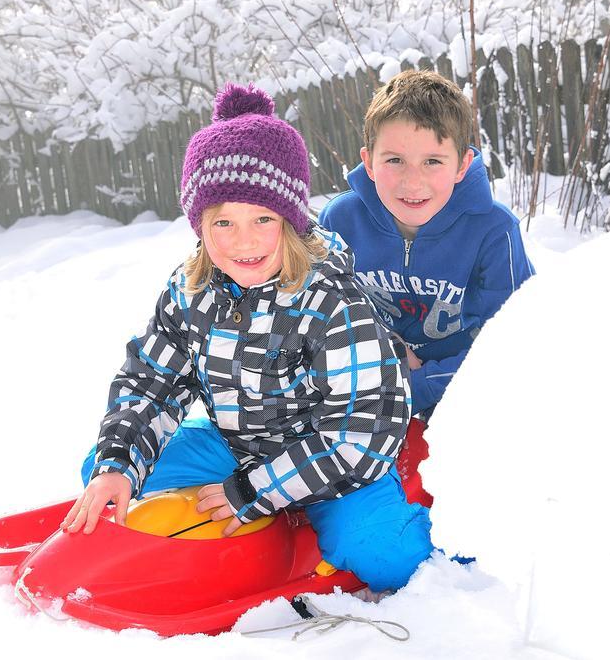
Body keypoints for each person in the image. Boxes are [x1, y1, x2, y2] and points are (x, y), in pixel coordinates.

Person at [60, 83, 432, 593]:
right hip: (238, 446)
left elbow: (359, 436)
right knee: (106, 472)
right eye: (223, 222)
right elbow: (153, 383)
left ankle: (415, 524)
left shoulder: (331, 300)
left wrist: (255, 491)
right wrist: (119, 463)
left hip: (332, 463)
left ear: (292, 222)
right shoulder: (192, 291)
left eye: (263, 219)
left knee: (385, 555)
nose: (244, 240)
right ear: (200, 227)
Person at [319, 69, 535, 420]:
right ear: (368, 162)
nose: (412, 181)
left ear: (462, 165)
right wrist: (387, 348)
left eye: (432, 161)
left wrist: (420, 386)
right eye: (394, 160)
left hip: (468, 389)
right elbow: (323, 314)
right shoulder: (340, 221)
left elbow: (516, 341)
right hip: (374, 388)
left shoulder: (494, 230)